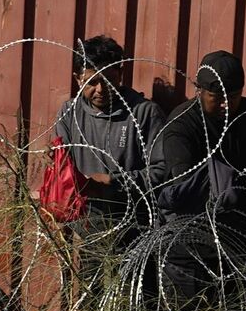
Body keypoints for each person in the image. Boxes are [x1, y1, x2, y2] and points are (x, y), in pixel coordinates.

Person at [147, 50, 246, 299]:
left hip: (241, 245)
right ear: (199, 91)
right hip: (192, 250)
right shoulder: (183, 125)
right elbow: (187, 187)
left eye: (234, 96)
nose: (227, 104)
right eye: (218, 97)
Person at [53, 35, 166, 232]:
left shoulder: (143, 113)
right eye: (91, 82)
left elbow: (162, 171)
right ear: (77, 79)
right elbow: (62, 169)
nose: (101, 89)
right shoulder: (69, 113)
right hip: (86, 226)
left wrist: (114, 180)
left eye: (108, 80)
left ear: (120, 74)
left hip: (134, 227)